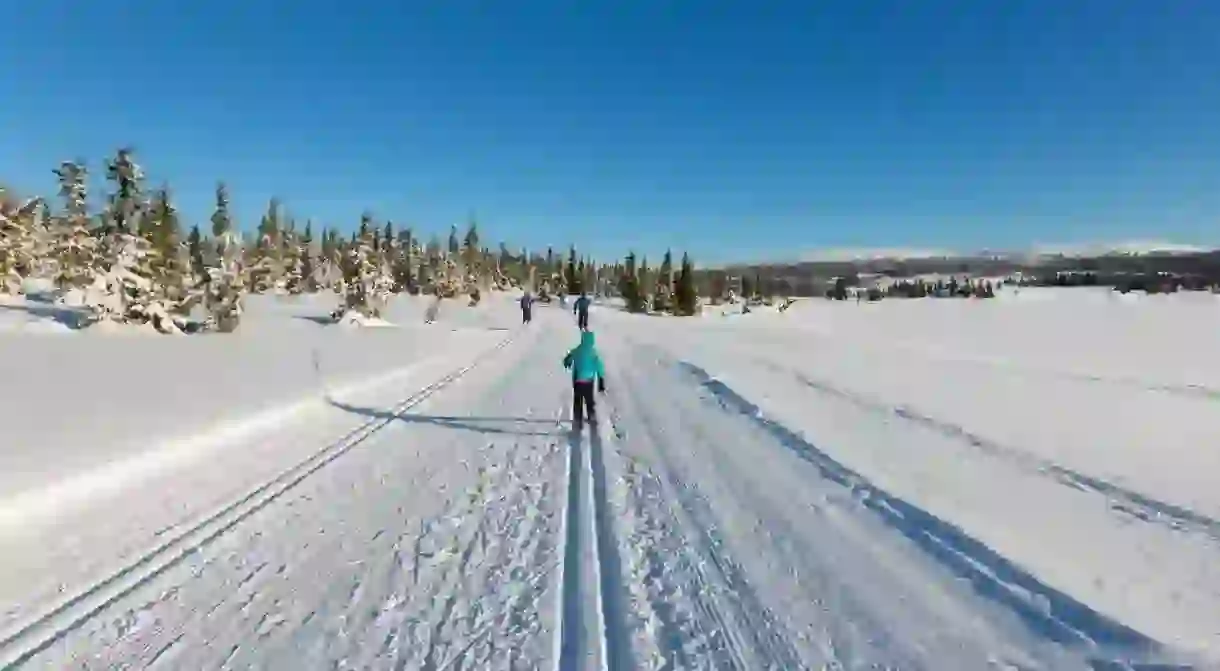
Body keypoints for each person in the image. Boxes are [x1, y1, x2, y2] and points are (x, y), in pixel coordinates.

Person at [562, 330, 606, 430]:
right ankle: (592, 416)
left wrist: (567, 362)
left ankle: (578, 418)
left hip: (578, 381)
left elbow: (568, 358)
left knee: (578, 400)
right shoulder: (594, 353)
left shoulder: (577, 350)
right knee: (589, 399)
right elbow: (600, 367)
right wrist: (601, 380)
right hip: (589, 382)